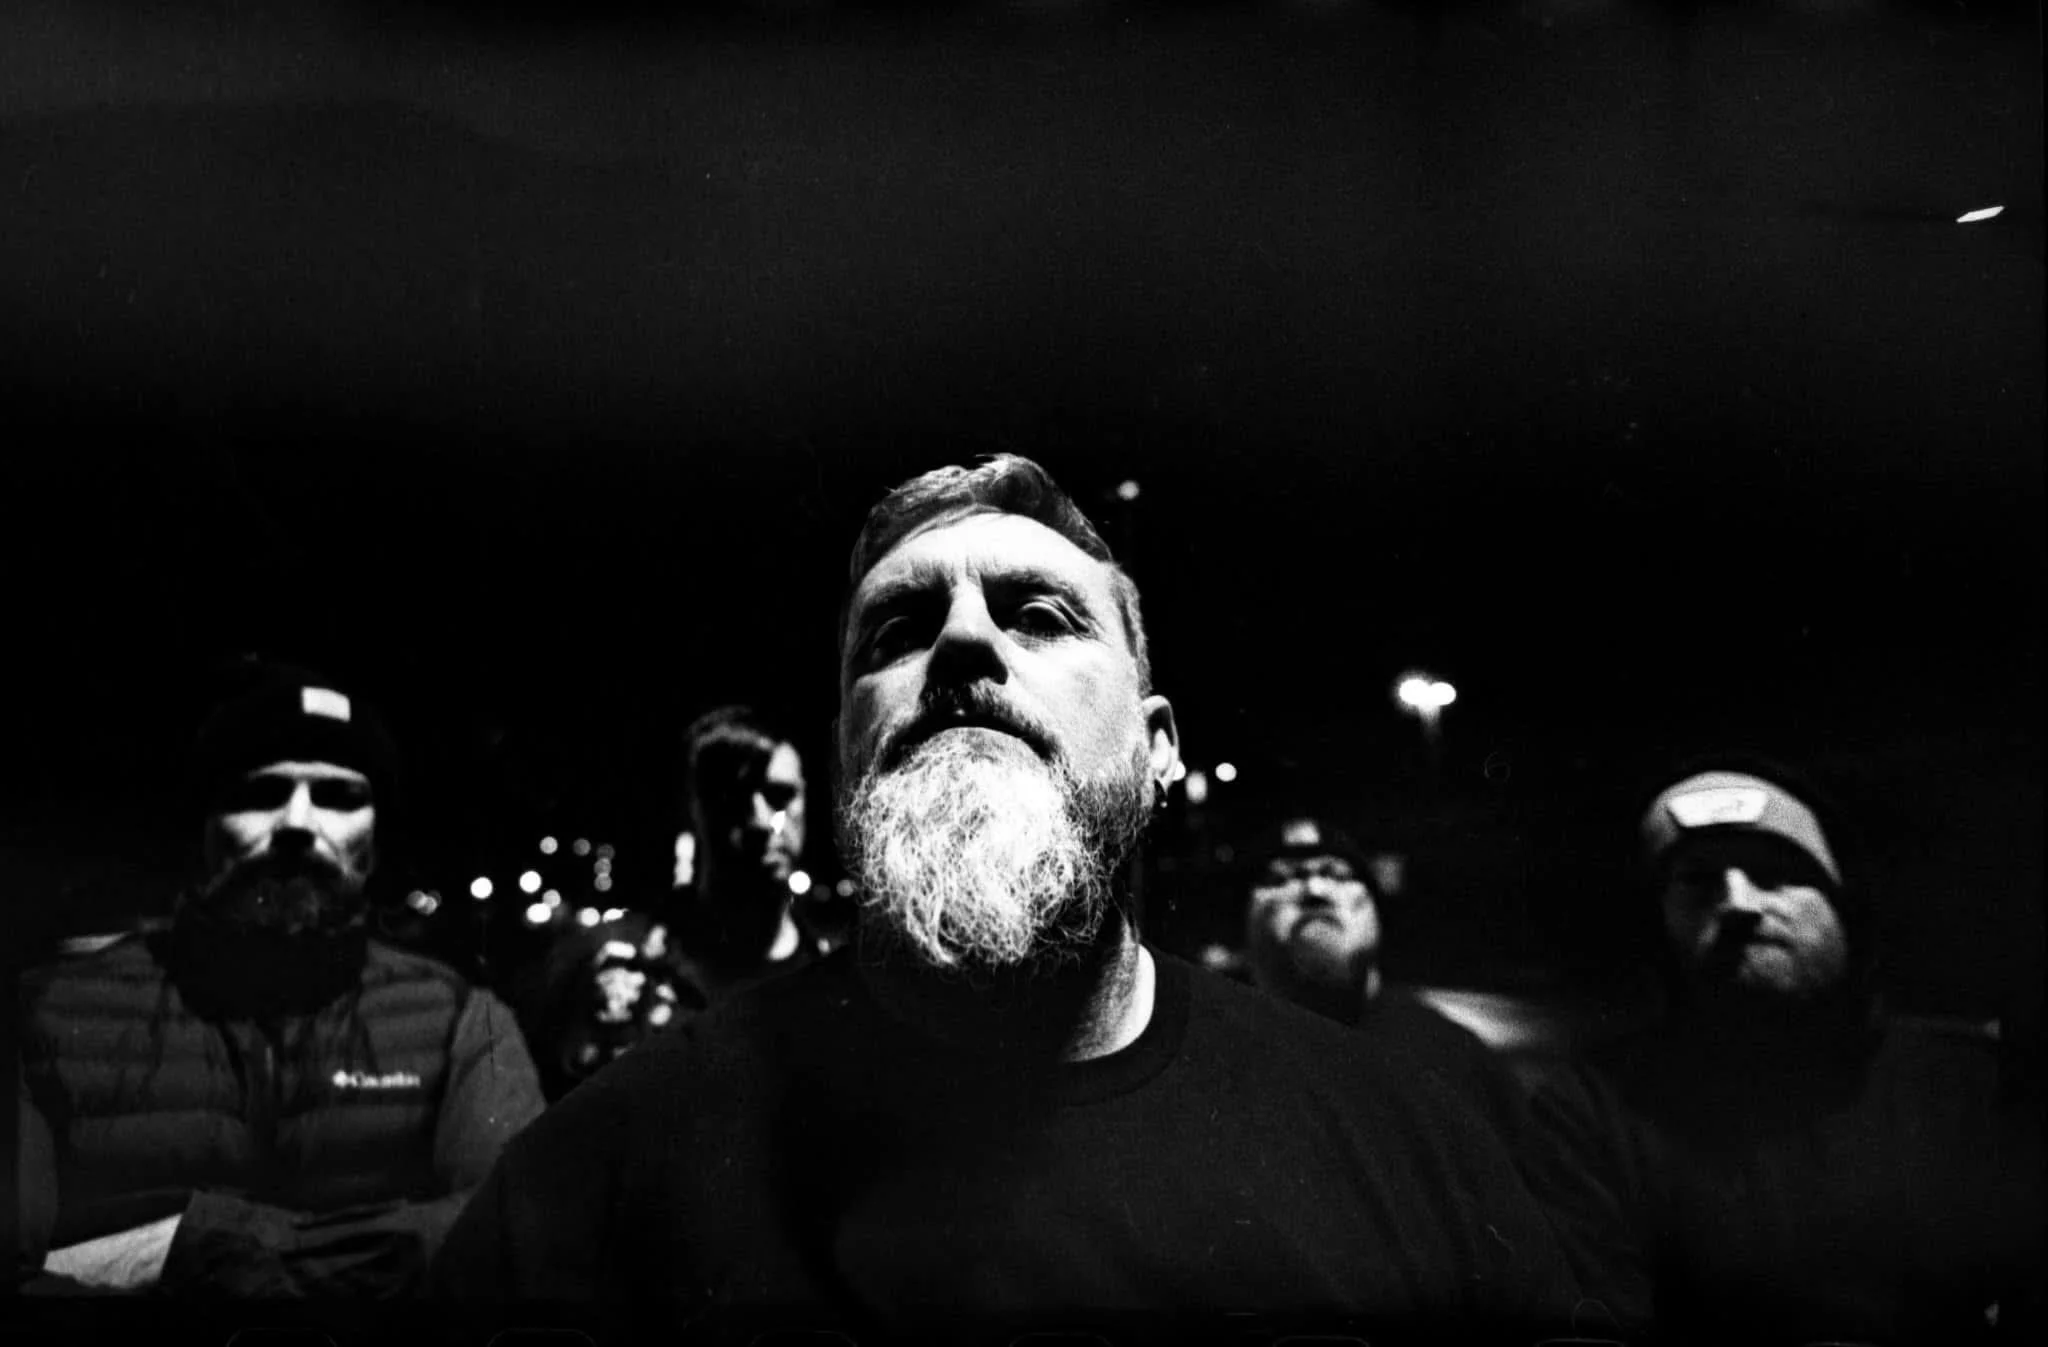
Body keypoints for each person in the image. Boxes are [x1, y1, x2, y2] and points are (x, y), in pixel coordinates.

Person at [432, 456, 1611, 1341]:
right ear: (846, 756)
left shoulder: (1404, 1141)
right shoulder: (599, 1175)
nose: (962, 644)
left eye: (1038, 615)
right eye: (897, 629)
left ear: (1158, 751)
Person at [18, 661, 546, 1298]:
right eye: (261, 792)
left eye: (339, 797)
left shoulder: (460, 1022)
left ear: (375, 839)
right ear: (204, 828)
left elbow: (517, 1236)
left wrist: (199, 1249)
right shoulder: (47, 1014)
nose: (297, 823)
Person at [1528, 758, 2043, 1345]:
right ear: (1660, 923)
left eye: (1774, 872)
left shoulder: (1974, 1088)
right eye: (1699, 882)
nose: (1738, 901)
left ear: (1842, 905)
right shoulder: (1592, 1111)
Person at [527, 705, 836, 1098]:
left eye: (779, 796)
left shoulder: (835, 980)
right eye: (733, 796)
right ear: (693, 808)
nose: (760, 820)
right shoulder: (605, 961)